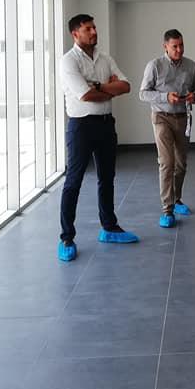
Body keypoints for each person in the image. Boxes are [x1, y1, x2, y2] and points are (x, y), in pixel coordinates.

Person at [58, 14, 138, 262]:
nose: (94, 32)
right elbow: (85, 95)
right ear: (75, 34)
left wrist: (100, 87)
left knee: (107, 178)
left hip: (105, 124)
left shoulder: (105, 58)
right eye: (88, 29)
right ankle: (67, 237)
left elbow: (126, 86)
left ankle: (109, 228)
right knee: (74, 181)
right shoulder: (68, 61)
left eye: (94, 27)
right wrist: (108, 89)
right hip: (81, 126)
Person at [139, 29, 195, 229]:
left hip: (183, 117)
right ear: (165, 46)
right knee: (167, 162)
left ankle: (177, 200)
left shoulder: (191, 66)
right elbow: (143, 93)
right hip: (161, 117)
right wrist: (165, 97)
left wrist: (194, 96)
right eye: (175, 46)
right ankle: (167, 210)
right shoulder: (154, 66)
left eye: (181, 45)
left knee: (181, 163)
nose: (179, 49)